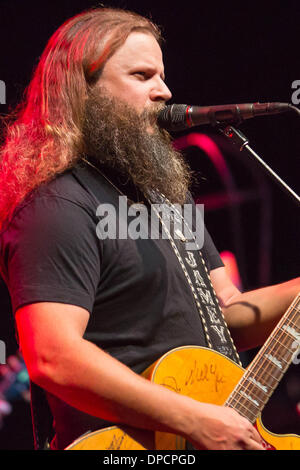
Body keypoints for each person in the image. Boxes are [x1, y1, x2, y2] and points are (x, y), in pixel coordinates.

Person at [0, 7, 298, 451]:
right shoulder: (57, 205)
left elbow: (226, 314)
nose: (165, 91)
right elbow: (51, 356)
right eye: (143, 76)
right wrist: (194, 420)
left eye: (161, 75)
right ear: (84, 91)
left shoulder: (167, 199)